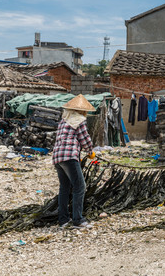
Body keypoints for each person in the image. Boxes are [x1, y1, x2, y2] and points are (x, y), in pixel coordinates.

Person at [52, 94, 95, 229]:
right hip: (69, 157)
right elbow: (84, 139)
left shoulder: (64, 121)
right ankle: (78, 220)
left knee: (64, 188)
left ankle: (63, 220)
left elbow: (65, 139)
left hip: (58, 158)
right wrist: (90, 151)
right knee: (80, 187)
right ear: (81, 111)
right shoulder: (79, 120)